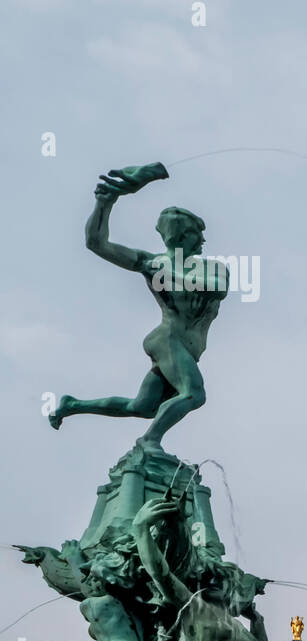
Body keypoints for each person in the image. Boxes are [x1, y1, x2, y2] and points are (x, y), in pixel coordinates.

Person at [49, 163, 227, 452]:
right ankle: (149, 441)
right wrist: (105, 202)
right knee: (194, 394)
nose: (204, 240)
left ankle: (73, 404)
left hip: (185, 346)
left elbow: (217, 287)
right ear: (181, 236)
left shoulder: (210, 268)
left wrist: (162, 273)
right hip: (168, 339)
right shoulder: (153, 262)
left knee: (142, 406)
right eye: (197, 233)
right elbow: (96, 243)